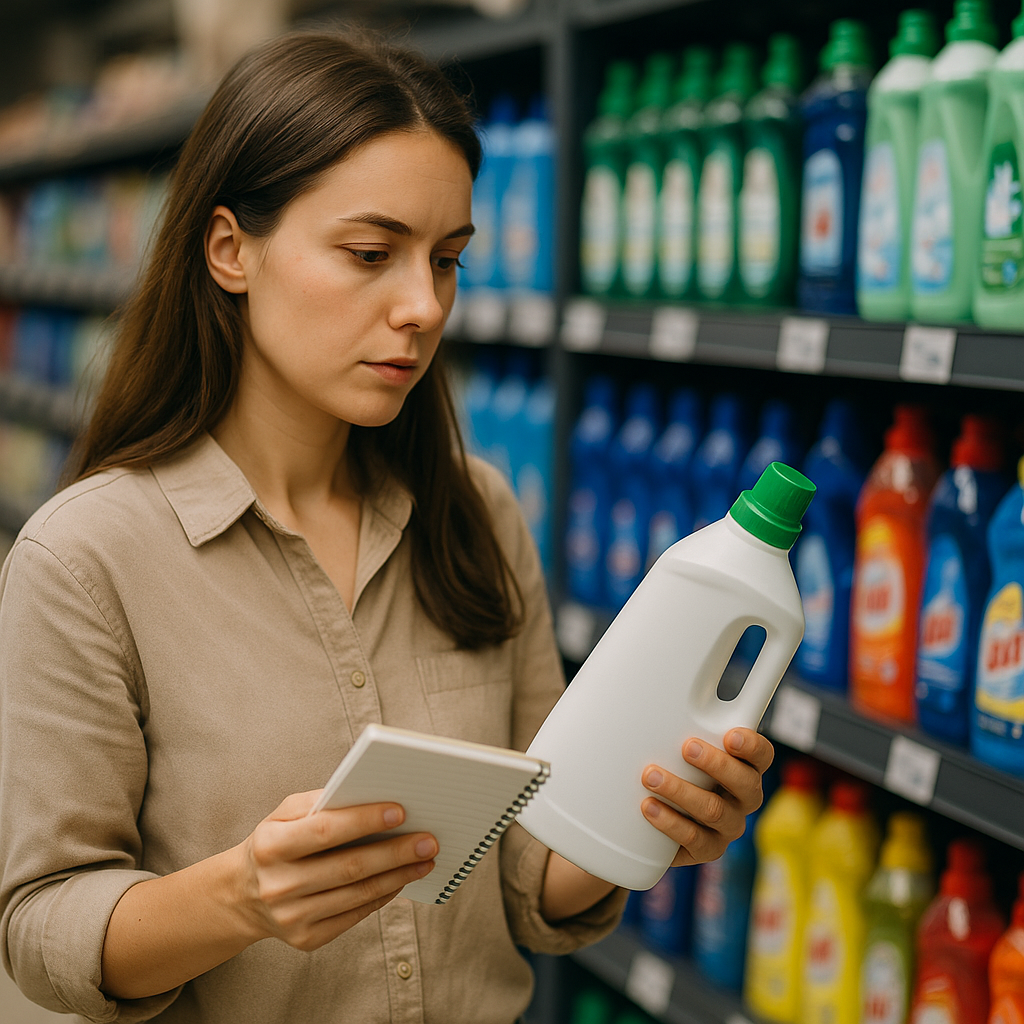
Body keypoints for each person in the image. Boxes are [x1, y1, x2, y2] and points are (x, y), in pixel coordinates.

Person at [0, 30, 774, 1024]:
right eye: (371, 254)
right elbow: (40, 925)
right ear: (231, 249)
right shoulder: (86, 557)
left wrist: (649, 817)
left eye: (445, 260)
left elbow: (530, 881)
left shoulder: (478, 511)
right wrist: (238, 895)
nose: (422, 306)